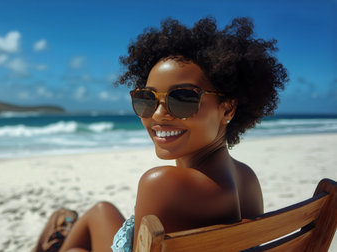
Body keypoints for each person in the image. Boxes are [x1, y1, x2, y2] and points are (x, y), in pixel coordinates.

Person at [33, 16, 288, 252]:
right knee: (101, 210)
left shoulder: (162, 184)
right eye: (147, 99)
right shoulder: (246, 179)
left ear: (228, 108)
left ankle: (56, 241)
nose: (157, 114)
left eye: (184, 98)